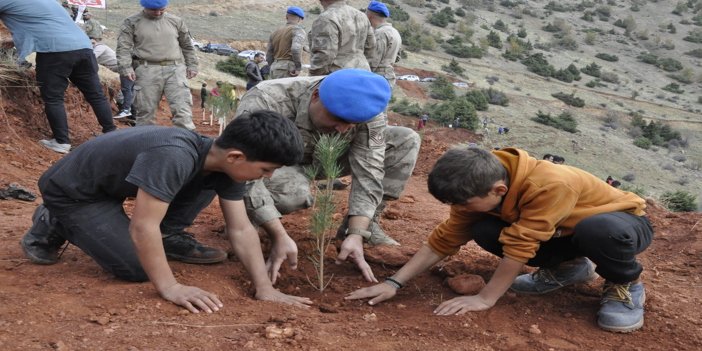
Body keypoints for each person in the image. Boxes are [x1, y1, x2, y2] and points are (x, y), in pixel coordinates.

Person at [21, 111, 314, 313]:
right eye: (266, 169)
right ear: (236, 156)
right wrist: (171, 287)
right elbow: (142, 228)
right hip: (75, 193)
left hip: (115, 186)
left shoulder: (222, 163)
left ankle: (168, 235)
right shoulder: (174, 155)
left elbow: (240, 228)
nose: (268, 177)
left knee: (207, 181)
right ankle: (53, 219)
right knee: (136, 267)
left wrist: (264, 288)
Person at [347, 146, 653, 334]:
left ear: (499, 190)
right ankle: (570, 268)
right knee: (483, 229)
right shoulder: (477, 183)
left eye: (464, 204)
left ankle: (625, 284)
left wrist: (484, 298)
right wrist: (394, 283)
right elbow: (444, 240)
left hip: (623, 224)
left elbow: (523, 244)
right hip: (564, 233)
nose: (460, 210)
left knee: (596, 230)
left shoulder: (549, 184)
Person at [233, 69, 420, 283]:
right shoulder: (268, 100)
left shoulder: (367, 110)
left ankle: (364, 225)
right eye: (337, 119)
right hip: (277, 164)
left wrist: (357, 232)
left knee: (405, 139)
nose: (342, 129)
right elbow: (244, 169)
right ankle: (249, 221)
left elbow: (370, 172)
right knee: (293, 192)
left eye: (352, 124)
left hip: (329, 159)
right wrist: (278, 234)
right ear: (315, 96)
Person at [0, 0, 115, 154]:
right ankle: (112, 135)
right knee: (96, 95)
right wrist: (14, 40)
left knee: (53, 97)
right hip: (84, 48)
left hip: (55, 51)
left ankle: (61, 142)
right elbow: (47, 23)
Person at [116, 0, 199, 130]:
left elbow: (187, 45)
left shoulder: (176, 21)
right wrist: (126, 67)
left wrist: (192, 65)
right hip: (147, 69)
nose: (158, 13)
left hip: (175, 69)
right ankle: (145, 141)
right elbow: (123, 48)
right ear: (144, 7)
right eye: (154, 10)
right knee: (145, 110)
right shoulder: (131, 22)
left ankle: (184, 141)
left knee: (181, 108)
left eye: (162, 9)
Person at [308, 0, 375, 76]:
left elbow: (324, 55)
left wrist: (314, 76)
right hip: (363, 72)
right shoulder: (361, 16)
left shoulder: (325, 18)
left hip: (338, 75)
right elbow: (371, 46)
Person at [89, 39, 137, 123]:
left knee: (126, 90)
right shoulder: (99, 47)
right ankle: (133, 117)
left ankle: (126, 110)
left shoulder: (100, 47)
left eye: (91, 43)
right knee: (124, 94)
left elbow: (92, 57)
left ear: (94, 43)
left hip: (126, 68)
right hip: (128, 68)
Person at [366, 1, 401, 89]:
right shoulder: (394, 31)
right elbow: (397, 57)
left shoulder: (380, 33)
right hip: (387, 77)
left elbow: (374, 60)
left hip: (376, 78)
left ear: (369, 15)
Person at [266, 6, 308, 79]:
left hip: (274, 67)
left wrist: (271, 66)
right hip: (287, 68)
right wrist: (298, 67)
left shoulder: (275, 32)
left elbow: (269, 53)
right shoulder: (298, 30)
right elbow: (296, 48)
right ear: (301, 19)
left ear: (286, 16)